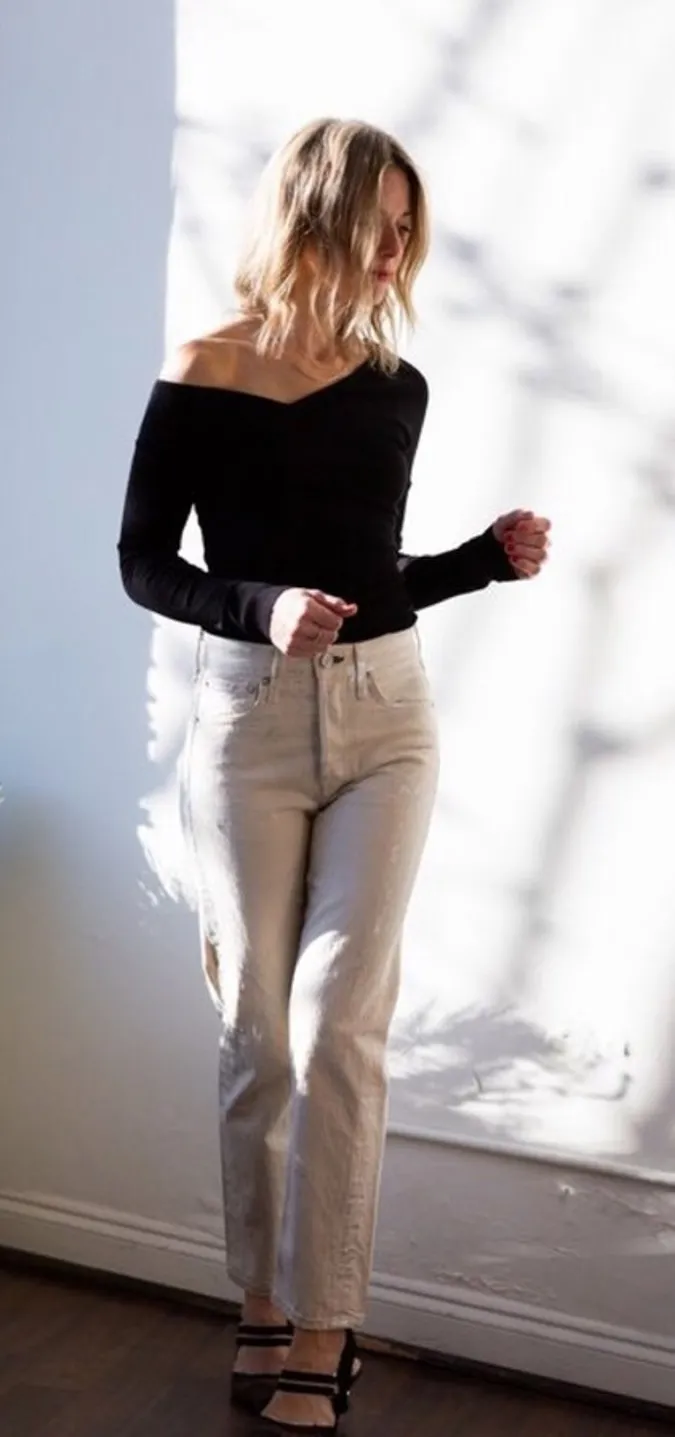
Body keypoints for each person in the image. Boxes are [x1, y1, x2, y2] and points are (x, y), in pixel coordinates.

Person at [118, 117, 550, 1434]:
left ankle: (324, 1326)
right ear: (319, 215)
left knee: (335, 1029)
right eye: (383, 226)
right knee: (257, 1036)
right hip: (247, 723)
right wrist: (259, 607)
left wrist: (481, 560)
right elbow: (144, 562)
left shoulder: (393, 385)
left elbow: (374, 579)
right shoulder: (206, 368)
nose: (397, 254)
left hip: (386, 723)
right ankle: (260, 1301)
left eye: (410, 231)